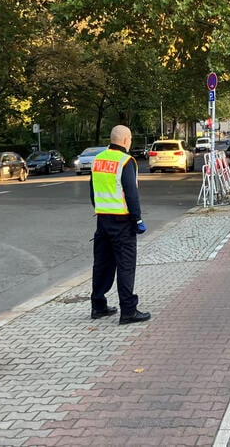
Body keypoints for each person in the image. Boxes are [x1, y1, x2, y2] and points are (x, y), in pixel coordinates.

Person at [89, 124, 151, 324]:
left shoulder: (97, 160)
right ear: (125, 140)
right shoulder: (126, 161)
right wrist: (138, 219)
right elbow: (131, 194)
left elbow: (93, 192)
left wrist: (101, 209)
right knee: (125, 265)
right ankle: (128, 311)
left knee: (102, 264)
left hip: (102, 219)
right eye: (130, 139)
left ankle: (98, 306)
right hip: (122, 222)